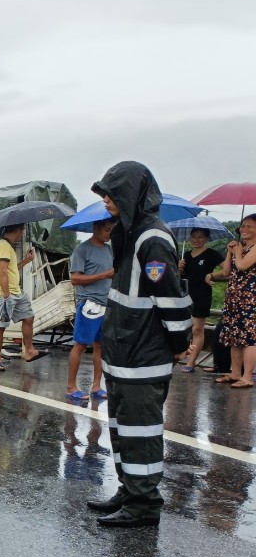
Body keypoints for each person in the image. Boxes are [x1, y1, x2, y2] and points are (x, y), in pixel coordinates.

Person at [85, 161, 191, 527]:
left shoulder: (153, 239)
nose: (106, 201)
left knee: (141, 432)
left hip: (144, 356)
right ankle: (130, 491)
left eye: (111, 194)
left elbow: (170, 298)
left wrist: (180, 343)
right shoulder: (128, 233)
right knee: (123, 429)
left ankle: (144, 505)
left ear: (131, 194)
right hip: (122, 354)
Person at [65, 219, 115, 400]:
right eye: (107, 230)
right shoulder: (82, 249)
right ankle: (71, 387)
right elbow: (75, 279)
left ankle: (96, 386)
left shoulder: (109, 249)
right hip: (89, 304)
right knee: (80, 344)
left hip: (106, 303)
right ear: (96, 228)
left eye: (111, 230)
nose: (109, 233)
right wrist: (104, 274)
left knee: (100, 346)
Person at [0, 223, 44, 369]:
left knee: (28, 317)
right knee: (1, 326)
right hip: (5, 294)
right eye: (23, 231)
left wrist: (26, 261)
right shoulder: (2, 246)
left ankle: (30, 350)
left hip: (16, 292)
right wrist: (6, 295)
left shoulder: (8, 247)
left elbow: (11, 269)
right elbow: (2, 272)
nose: (22, 234)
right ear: (18, 230)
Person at [215, 215, 256, 387]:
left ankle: (247, 377)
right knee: (234, 335)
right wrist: (230, 252)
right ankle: (235, 373)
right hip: (234, 296)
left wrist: (238, 253)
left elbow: (242, 266)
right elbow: (226, 271)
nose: (244, 230)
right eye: (242, 226)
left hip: (250, 297)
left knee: (249, 337)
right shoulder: (241, 247)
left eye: (250, 226)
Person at [178, 227, 225, 373]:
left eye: (200, 237)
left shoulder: (211, 254)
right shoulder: (185, 255)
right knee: (184, 328)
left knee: (197, 329)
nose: (196, 240)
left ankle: (191, 363)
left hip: (202, 295)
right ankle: (182, 355)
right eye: (193, 237)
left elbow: (226, 270)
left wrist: (211, 275)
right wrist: (179, 268)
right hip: (185, 295)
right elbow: (180, 277)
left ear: (206, 238)